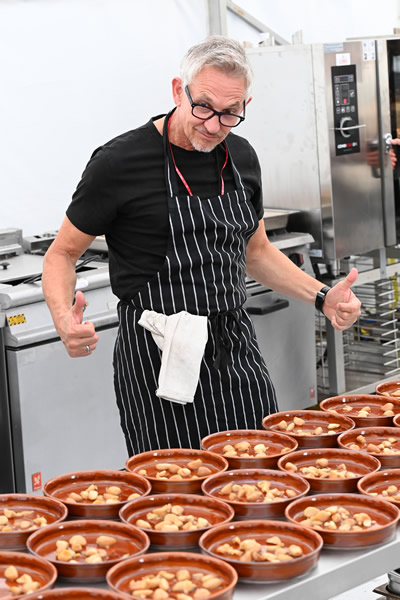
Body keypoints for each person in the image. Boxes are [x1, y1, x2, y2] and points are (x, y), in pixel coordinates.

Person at [42, 35, 361, 457]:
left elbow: (256, 251)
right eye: (203, 107)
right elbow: (62, 253)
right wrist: (64, 318)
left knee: (259, 471)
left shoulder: (243, 158)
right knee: (174, 493)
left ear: (246, 105)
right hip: (157, 357)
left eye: (230, 114)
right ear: (178, 90)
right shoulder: (119, 163)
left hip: (233, 345)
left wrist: (321, 295)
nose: (213, 126)